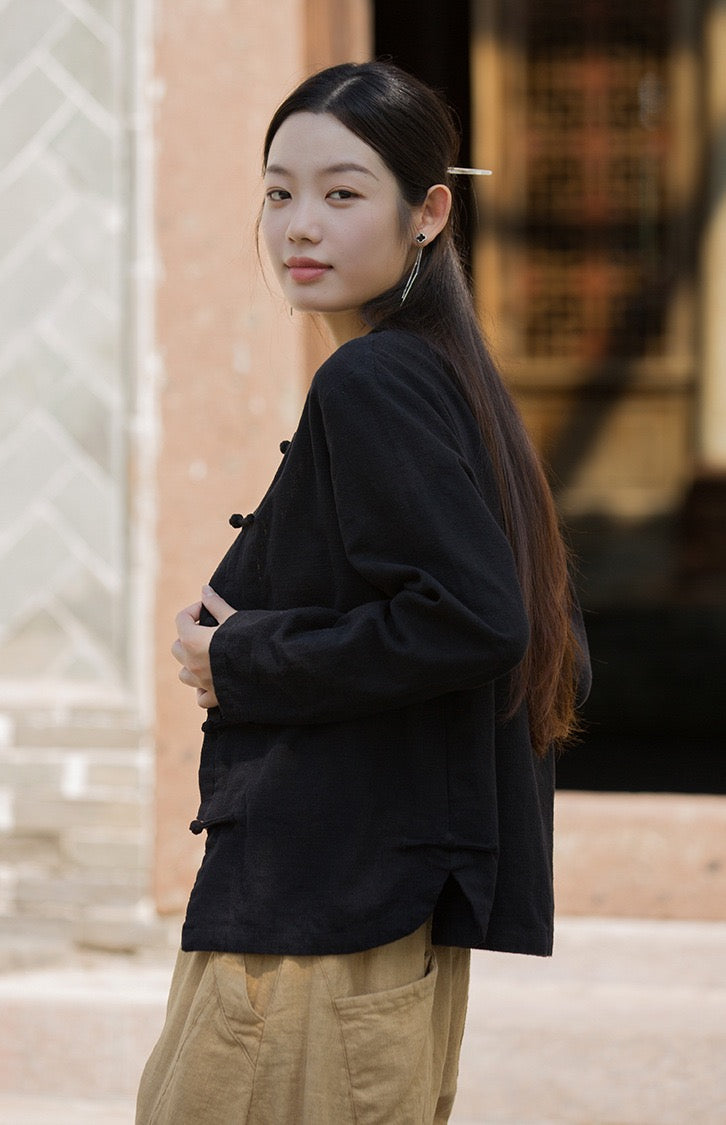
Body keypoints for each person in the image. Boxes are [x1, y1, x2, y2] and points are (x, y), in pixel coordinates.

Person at [136, 60, 591, 1125]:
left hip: (318, 918)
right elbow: (537, 631)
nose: (300, 224)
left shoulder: (374, 378)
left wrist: (240, 656)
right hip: (374, 916)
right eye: (279, 192)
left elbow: (478, 618)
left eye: (342, 193)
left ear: (428, 212)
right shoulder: (445, 374)